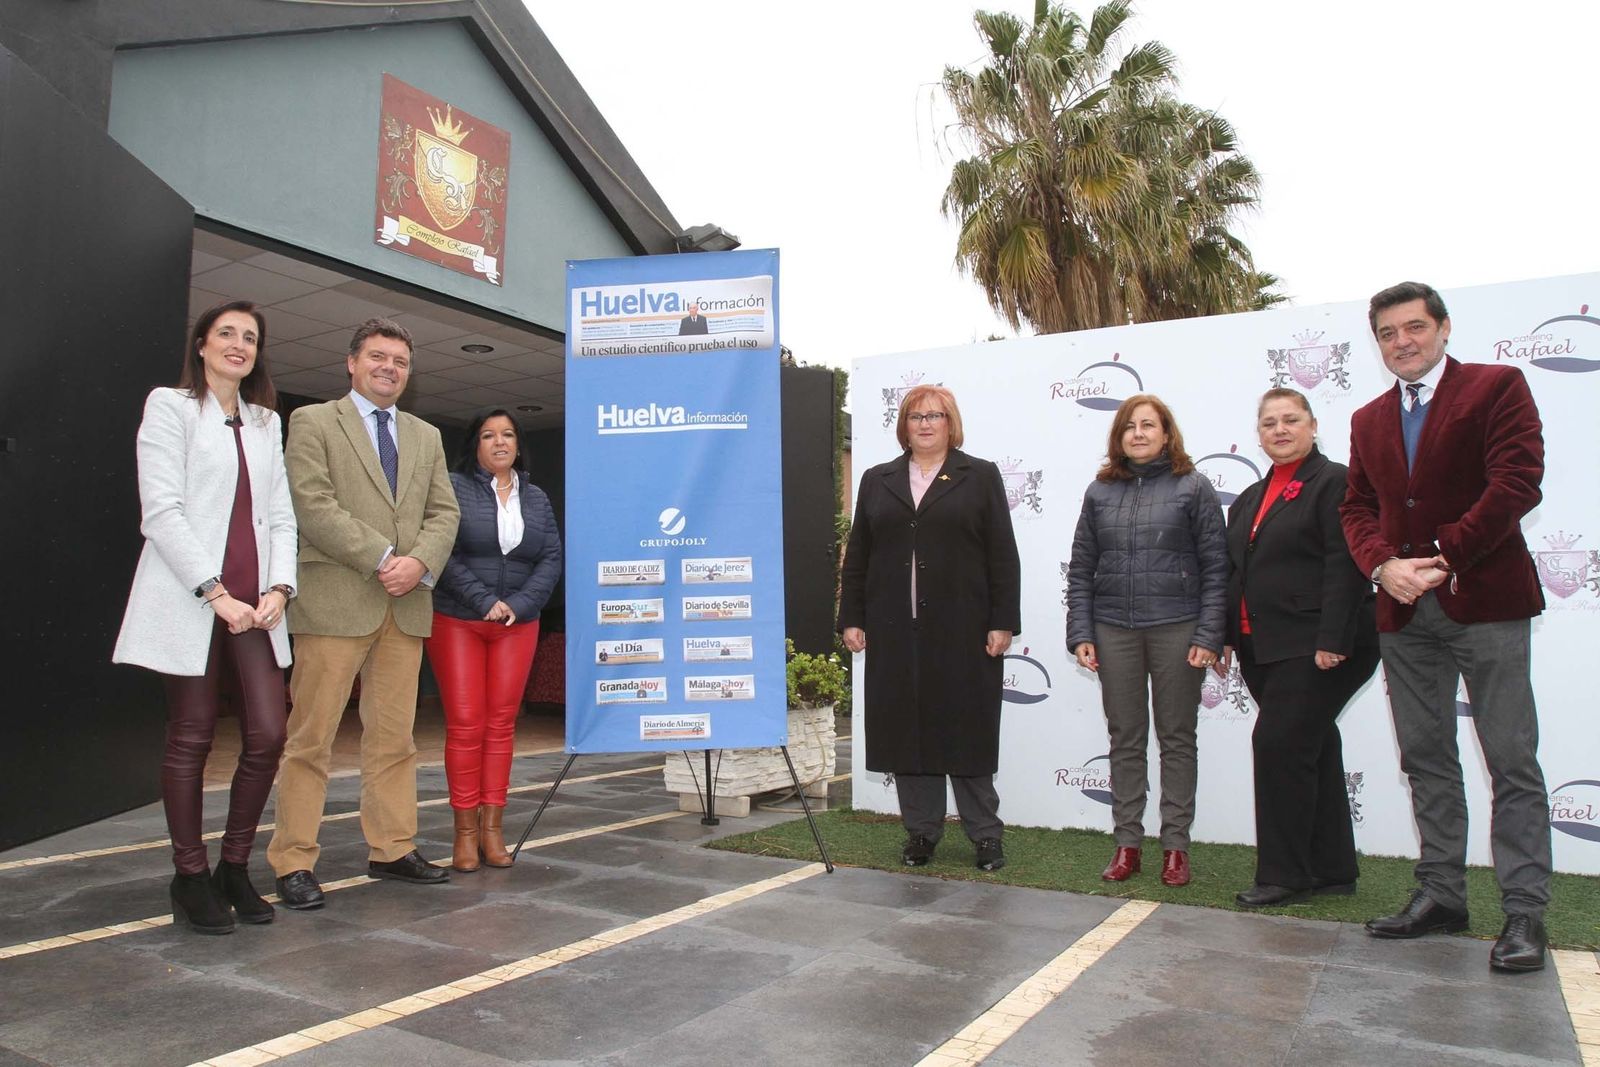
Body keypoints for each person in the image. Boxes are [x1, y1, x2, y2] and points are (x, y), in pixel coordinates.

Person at [1341, 281, 1551, 972]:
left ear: (1443, 328)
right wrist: (1382, 567)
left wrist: (1446, 553)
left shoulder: (1497, 387)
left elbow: (1518, 481)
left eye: (1414, 327)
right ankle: (1441, 894)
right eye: (1388, 333)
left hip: (1484, 600)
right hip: (1403, 610)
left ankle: (1523, 910)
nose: (1402, 341)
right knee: (1425, 755)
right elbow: (1358, 509)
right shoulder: (1369, 418)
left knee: (1510, 758)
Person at [113, 301, 297, 934]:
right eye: (227, 334)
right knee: (191, 733)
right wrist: (215, 592)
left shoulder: (267, 421)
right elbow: (160, 511)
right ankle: (189, 876)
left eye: (250, 337)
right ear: (201, 344)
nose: (238, 345)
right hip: (195, 596)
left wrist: (281, 586)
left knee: (269, 734)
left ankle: (234, 867)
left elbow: (280, 514)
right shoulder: (169, 406)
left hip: (258, 606)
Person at [266, 318, 461, 909]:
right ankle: (293, 861)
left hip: (406, 605)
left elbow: (444, 512)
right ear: (351, 362)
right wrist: (382, 557)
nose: (389, 368)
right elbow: (312, 503)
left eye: (400, 361)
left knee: (395, 739)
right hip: (336, 603)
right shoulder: (312, 421)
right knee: (311, 740)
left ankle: (392, 848)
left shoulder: (426, 435)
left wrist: (418, 563)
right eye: (378, 357)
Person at [839, 385, 1021, 872]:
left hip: (963, 628)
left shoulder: (978, 475)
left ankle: (986, 836)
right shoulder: (878, 479)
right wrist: (851, 617)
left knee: (966, 732)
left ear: (950, 423)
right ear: (904, 424)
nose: (924, 423)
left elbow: (1002, 554)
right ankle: (921, 832)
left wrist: (1003, 621)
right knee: (908, 732)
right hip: (895, 630)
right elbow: (858, 556)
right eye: (915, 415)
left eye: (935, 415)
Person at [1222, 388, 1378, 907]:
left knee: (1279, 745)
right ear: (1258, 433)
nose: (1280, 430)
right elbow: (1233, 573)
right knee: (1313, 745)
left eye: (1291, 420)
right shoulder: (1249, 497)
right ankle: (1333, 869)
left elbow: (1346, 561)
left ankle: (1285, 875)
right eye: (1269, 423)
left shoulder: (1335, 482)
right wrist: (1224, 635)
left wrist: (1332, 638)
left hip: (1320, 644)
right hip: (1262, 647)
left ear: (1313, 426)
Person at [1066, 394, 1226, 888]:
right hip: (1114, 628)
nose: (1138, 433)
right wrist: (1081, 632)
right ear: (1119, 437)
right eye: (1129, 426)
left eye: (1148, 425)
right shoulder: (1099, 492)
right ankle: (1127, 844)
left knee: (1177, 739)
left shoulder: (1193, 487)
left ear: (1166, 433)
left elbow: (1218, 569)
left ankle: (1175, 848)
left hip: (1179, 627)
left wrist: (1208, 634)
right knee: (1126, 739)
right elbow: (1081, 570)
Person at [429, 408, 562, 871]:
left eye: (507, 435)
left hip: (517, 626)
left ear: (518, 445)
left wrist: (520, 606)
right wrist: (484, 599)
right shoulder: (451, 485)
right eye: (488, 435)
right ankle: (464, 834)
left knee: (501, 726)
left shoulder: (537, 498)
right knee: (466, 725)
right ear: (475, 445)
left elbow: (550, 558)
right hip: (459, 620)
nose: (499, 442)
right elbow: (439, 551)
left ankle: (492, 832)